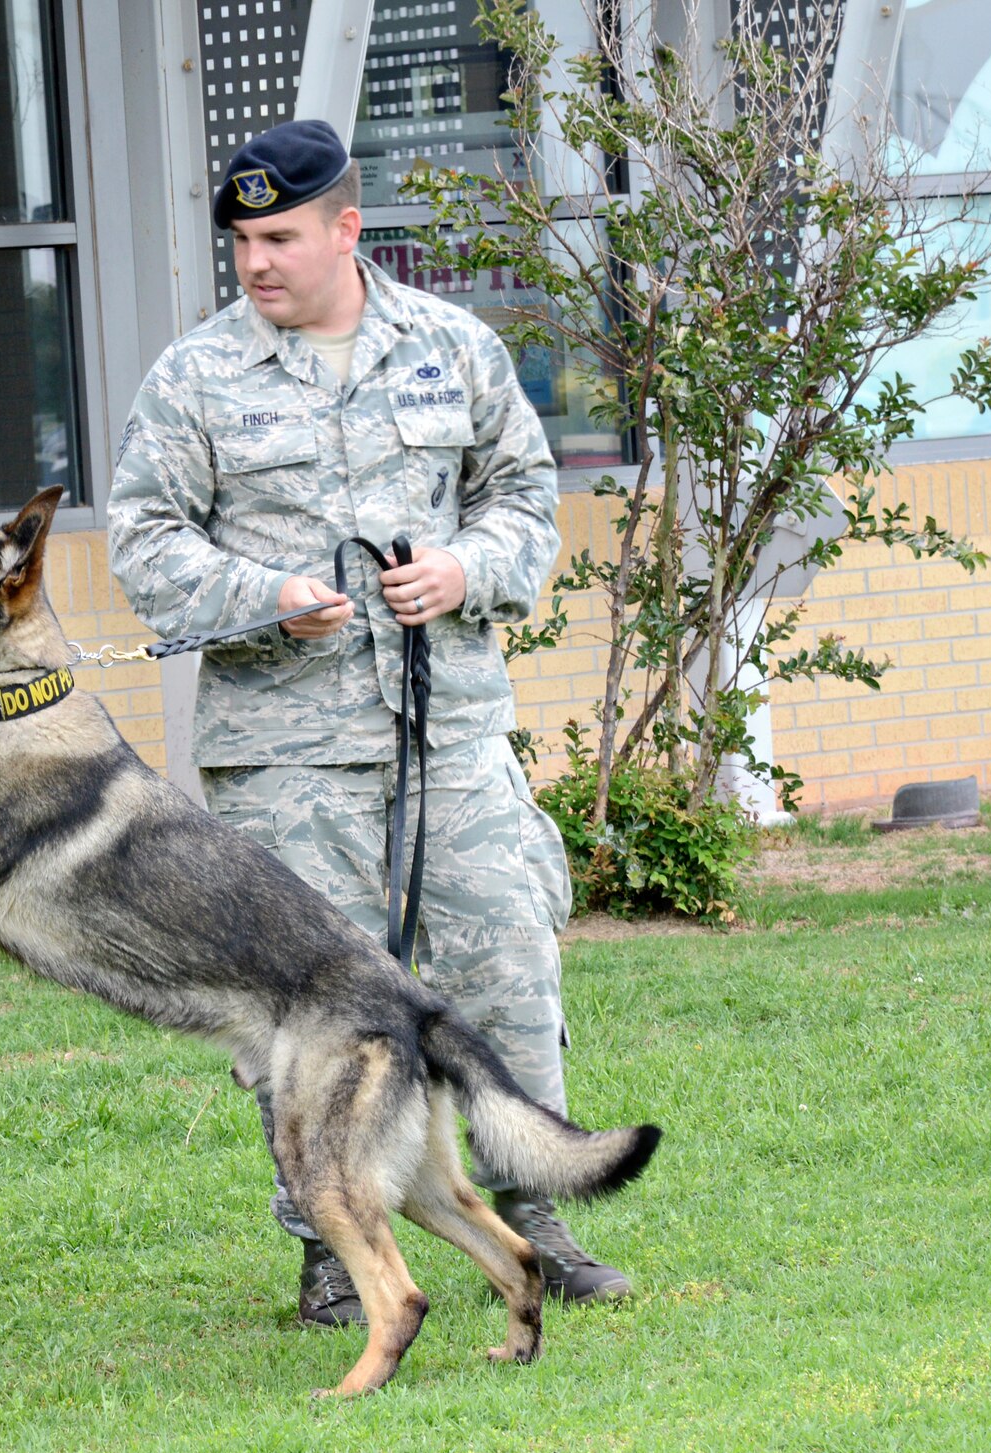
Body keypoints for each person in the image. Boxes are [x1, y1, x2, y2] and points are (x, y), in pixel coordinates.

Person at [107, 120, 633, 1324]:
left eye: (279, 236)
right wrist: (262, 597)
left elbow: (523, 495)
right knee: (309, 1014)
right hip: (285, 756)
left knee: (502, 961)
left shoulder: (450, 346)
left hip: (446, 730)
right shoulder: (194, 377)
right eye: (239, 240)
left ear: (347, 228)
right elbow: (143, 538)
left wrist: (462, 566)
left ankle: (532, 1217)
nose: (254, 262)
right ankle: (328, 1247)